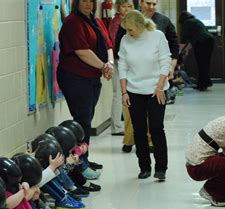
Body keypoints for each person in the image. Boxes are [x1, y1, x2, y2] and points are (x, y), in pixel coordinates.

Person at [57, 0, 114, 173]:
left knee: (86, 119)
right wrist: (104, 66)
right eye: (84, 1)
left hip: (92, 77)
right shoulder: (72, 22)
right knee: (82, 121)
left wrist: (109, 63)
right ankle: (79, 163)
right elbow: (82, 51)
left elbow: (108, 44)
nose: (88, 5)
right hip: (75, 77)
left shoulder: (95, 21)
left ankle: (84, 159)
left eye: (91, 1)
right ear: (76, 3)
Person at [119, 10, 171, 181]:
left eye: (130, 29)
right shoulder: (125, 40)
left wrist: (160, 87)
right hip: (134, 91)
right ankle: (144, 167)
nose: (128, 33)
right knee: (139, 130)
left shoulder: (157, 36)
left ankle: (161, 168)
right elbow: (123, 66)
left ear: (140, 26)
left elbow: (165, 62)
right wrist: (124, 92)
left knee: (156, 128)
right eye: (125, 30)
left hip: (157, 89)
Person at [108, 0, 134, 136]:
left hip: (124, 61)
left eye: (129, 6)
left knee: (122, 93)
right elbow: (112, 42)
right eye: (124, 6)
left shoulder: (127, 20)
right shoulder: (118, 21)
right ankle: (116, 126)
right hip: (119, 61)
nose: (127, 9)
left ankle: (120, 124)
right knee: (119, 93)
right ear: (118, 8)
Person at [178, 11, 214, 91]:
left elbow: (184, 40)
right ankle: (205, 83)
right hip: (209, 41)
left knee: (201, 63)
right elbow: (191, 41)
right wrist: (185, 50)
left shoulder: (186, 23)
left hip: (202, 43)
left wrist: (179, 53)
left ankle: (202, 84)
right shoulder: (195, 21)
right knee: (205, 63)